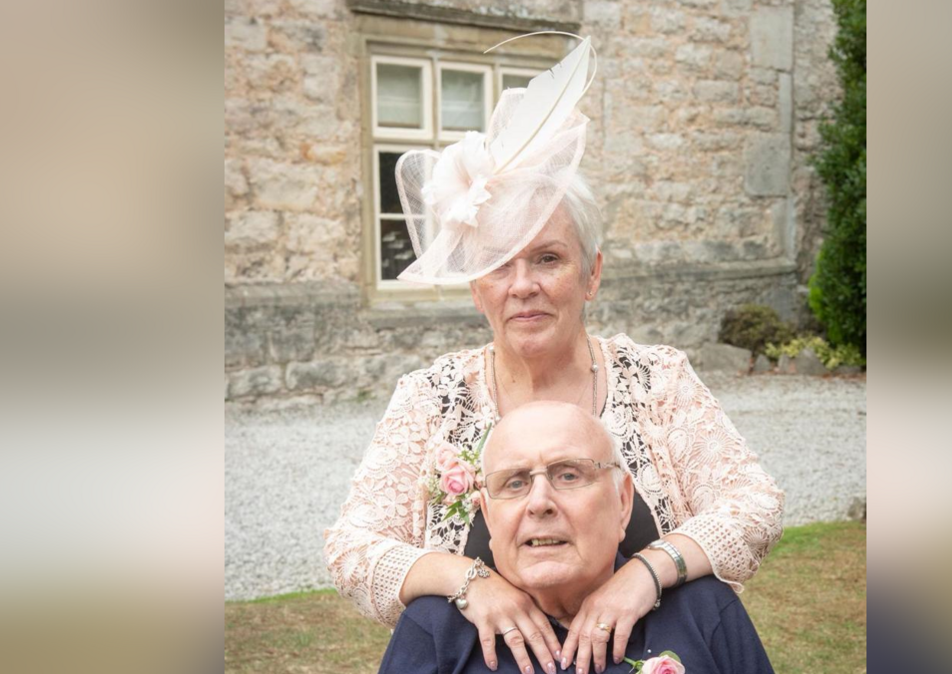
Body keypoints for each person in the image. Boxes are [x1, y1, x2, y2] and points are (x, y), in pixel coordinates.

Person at [324, 33, 783, 674]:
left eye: (548, 258)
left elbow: (753, 504)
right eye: (499, 264)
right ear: (476, 287)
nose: (523, 285)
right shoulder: (431, 399)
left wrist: (647, 573)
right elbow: (352, 547)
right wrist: (468, 582)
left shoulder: (656, 382)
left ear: (591, 274)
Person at [376, 401, 776, 674]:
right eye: (514, 483)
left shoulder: (701, 609)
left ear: (622, 503)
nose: (539, 502)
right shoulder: (436, 626)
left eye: (568, 475)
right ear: (487, 518)